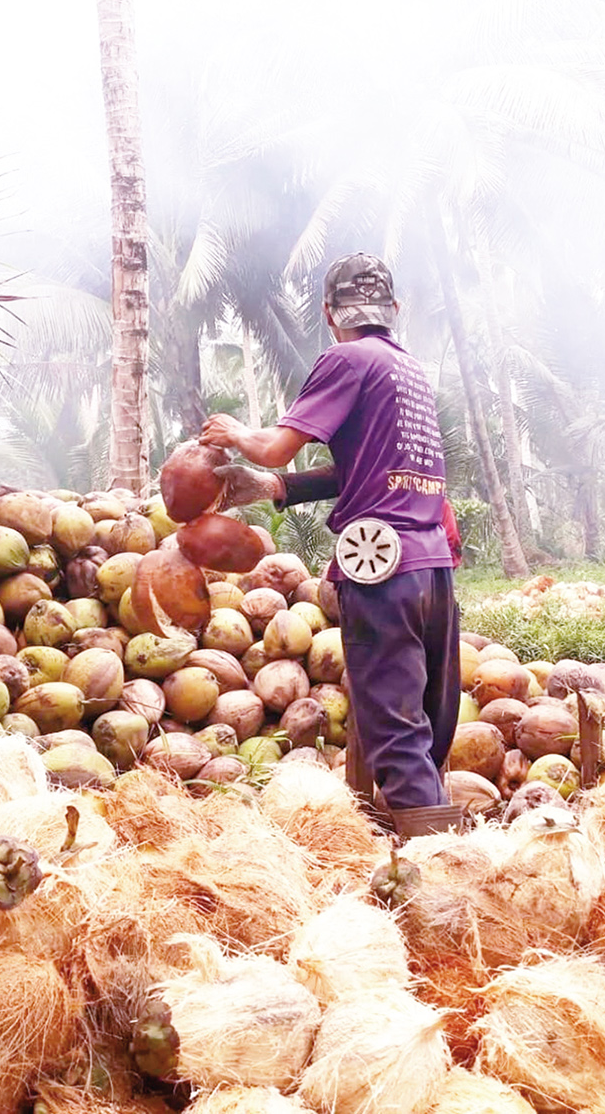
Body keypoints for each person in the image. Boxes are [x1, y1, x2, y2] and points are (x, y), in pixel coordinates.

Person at [200, 252, 463, 838]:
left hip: (385, 577)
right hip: (433, 570)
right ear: (394, 309)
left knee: (396, 738)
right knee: (426, 728)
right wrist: (276, 488)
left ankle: (445, 867)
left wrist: (236, 433)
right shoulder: (408, 371)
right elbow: (366, 469)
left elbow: (275, 447)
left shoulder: (346, 358)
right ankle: (434, 843)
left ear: (328, 313)